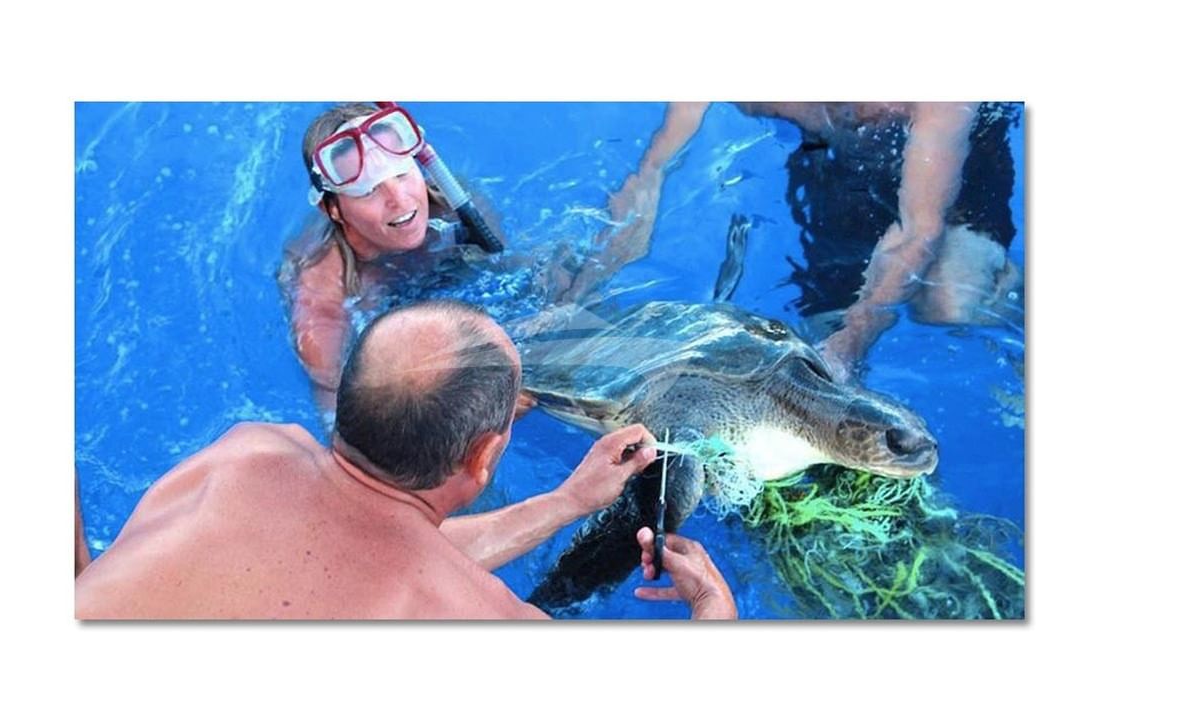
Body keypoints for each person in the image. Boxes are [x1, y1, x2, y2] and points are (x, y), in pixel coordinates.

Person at [75, 300, 737, 620]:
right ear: (484, 457)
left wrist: (566, 503)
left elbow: (360, 546)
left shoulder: (243, 453)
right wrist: (713, 609)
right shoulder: (486, 620)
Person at [278, 102, 680, 416]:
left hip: (451, 291)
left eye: (402, 175)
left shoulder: (454, 207)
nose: (400, 201)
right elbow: (342, 417)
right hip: (395, 334)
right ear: (333, 210)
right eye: (368, 192)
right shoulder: (322, 292)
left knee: (590, 276)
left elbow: (512, 278)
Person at [614, 101, 1023, 382]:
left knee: (950, 304)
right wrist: (587, 274)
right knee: (810, 353)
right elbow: (649, 175)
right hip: (836, 173)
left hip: (955, 177)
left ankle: (1019, 304)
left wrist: (855, 336)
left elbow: (919, 228)